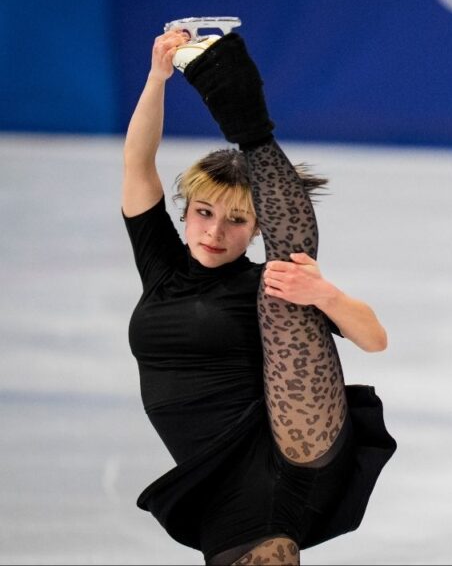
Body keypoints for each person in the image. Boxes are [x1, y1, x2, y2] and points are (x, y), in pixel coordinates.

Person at [122, 28, 397, 564]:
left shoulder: (267, 282)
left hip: (297, 438)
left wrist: (324, 294)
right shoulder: (161, 267)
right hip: (223, 479)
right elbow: (138, 163)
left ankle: (237, 99)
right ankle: (229, 79)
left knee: (284, 281)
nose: (214, 232)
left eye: (236, 220)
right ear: (186, 214)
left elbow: (375, 339)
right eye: (204, 213)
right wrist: (157, 78)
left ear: (254, 229)